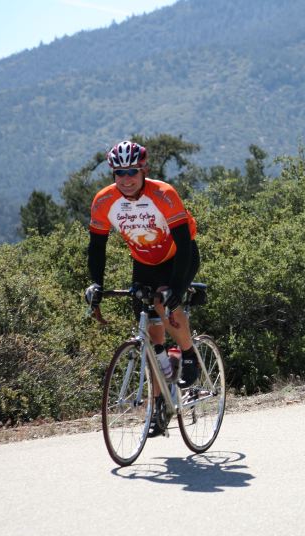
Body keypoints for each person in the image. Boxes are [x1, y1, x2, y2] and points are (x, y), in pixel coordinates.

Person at [84, 140, 201, 432]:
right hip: (144, 262)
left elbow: (185, 244)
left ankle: (188, 355)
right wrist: (96, 284)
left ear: (144, 170)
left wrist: (174, 288)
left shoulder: (164, 194)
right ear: (113, 174)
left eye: (132, 172)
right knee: (150, 336)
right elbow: (97, 247)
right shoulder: (103, 201)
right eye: (119, 173)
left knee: (163, 302)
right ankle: (159, 405)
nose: (126, 179)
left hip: (179, 257)